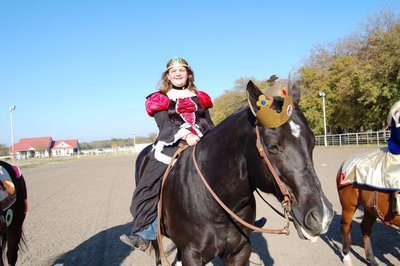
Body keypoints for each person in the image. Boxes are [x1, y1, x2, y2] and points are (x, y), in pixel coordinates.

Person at [120, 57, 214, 251]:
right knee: (151, 180)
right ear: (168, 76)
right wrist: (186, 135)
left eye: (182, 70)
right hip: (173, 141)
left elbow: (208, 122)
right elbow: (165, 124)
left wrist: (214, 138)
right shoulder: (159, 98)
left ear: (189, 74)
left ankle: (239, 218)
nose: (178, 73)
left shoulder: (201, 97)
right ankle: (145, 231)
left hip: (203, 138)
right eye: (174, 71)